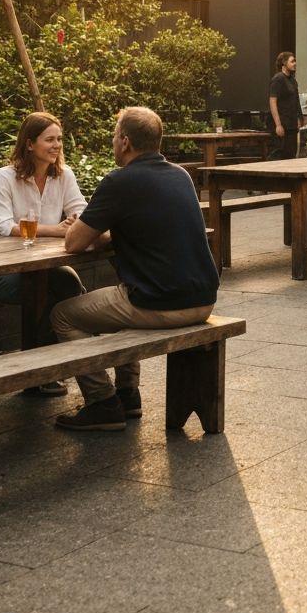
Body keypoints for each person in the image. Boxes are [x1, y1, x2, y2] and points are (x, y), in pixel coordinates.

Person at [51, 106, 218, 431]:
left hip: (163, 304)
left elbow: (73, 243)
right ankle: (128, 395)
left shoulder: (120, 181)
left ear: (125, 142)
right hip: (203, 299)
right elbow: (148, 225)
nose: (113, 141)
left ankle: (102, 402)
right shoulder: (180, 174)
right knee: (124, 295)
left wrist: (88, 231)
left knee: (63, 314)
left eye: (115, 136)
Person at [0, 111, 88, 397]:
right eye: (49, 140)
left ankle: (49, 366)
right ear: (29, 144)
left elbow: (81, 211)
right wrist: (57, 230)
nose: (57, 146)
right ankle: (38, 370)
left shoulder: (64, 176)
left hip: (42, 266)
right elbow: (4, 226)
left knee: (71, 286)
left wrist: (76, 221)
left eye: (59, 140)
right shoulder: (4, 178)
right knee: (44, 292)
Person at [267, 51, 304, 159]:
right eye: (292, 61)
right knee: (280, 155)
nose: (295, 63)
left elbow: (296, 101)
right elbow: (272, 101)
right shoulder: (278, 79)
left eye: (295, 61)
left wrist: (299, 117)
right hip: (282, 124)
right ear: (284, 63)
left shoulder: (292, 81)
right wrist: (278, 124)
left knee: (291, 155)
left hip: (291, 125)